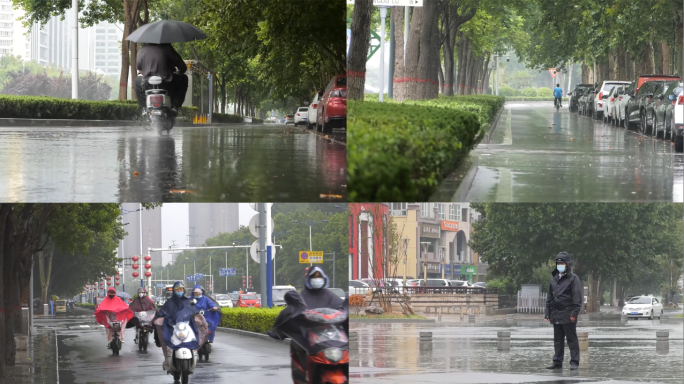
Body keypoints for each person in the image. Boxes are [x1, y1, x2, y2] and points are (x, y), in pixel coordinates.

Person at [545, 252, 582, 370]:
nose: (560, 265)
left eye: (562, 263)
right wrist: (548, 312)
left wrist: (574, 313)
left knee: (571, 339)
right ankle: (557, 361)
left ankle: (574, 361)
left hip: (568, 313)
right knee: (558, 339)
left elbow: (577, 297)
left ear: (567, 264)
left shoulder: (573, 279)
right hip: (556, 313)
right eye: (558, 263)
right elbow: (549, 297)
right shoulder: (554, 279)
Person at [135, 43, 189, 113]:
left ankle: (143, 108)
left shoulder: (142, 50)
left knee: (137, 81)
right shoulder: (167, 47)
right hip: (166, 83)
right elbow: (182, 67)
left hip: (147, 83)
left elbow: (140, 70)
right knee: (184, 78)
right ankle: (175, 105)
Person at [154, 281, 194, 371]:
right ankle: (167, 359)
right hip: (172, 327)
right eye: (177, 289)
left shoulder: (188, 301)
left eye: (181, 289)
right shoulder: (169, 302)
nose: (179, 291)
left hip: (185, 327)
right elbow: (162, 313)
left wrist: (197, 316)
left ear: (184, 290)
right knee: (164, 335)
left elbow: (194, 311)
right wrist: (161, 318)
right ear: (174, 291)